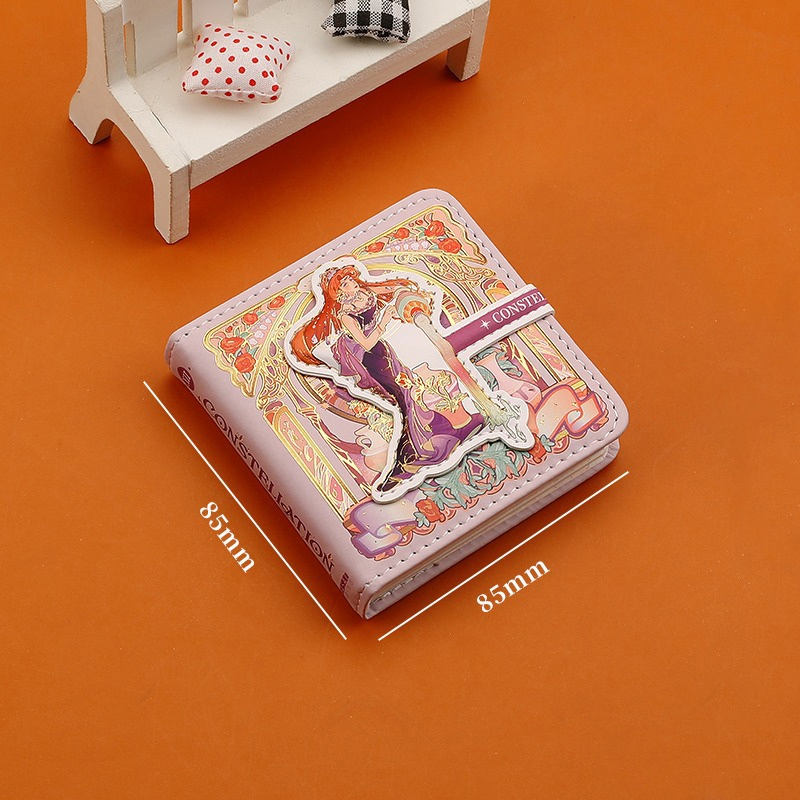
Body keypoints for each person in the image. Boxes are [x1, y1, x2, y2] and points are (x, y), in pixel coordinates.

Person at [290, 262, 484, 494]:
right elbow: (366, 343)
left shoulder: (366, 295)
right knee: (405, 400)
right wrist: (383, 321)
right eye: (345, 283)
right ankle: (414, 456)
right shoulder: (345, 315)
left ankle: (447, 430)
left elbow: (392, 295)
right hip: (374, 362)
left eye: (351, 279)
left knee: (413, 393)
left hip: (386, 353)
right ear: (338, 292)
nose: (352, 283)